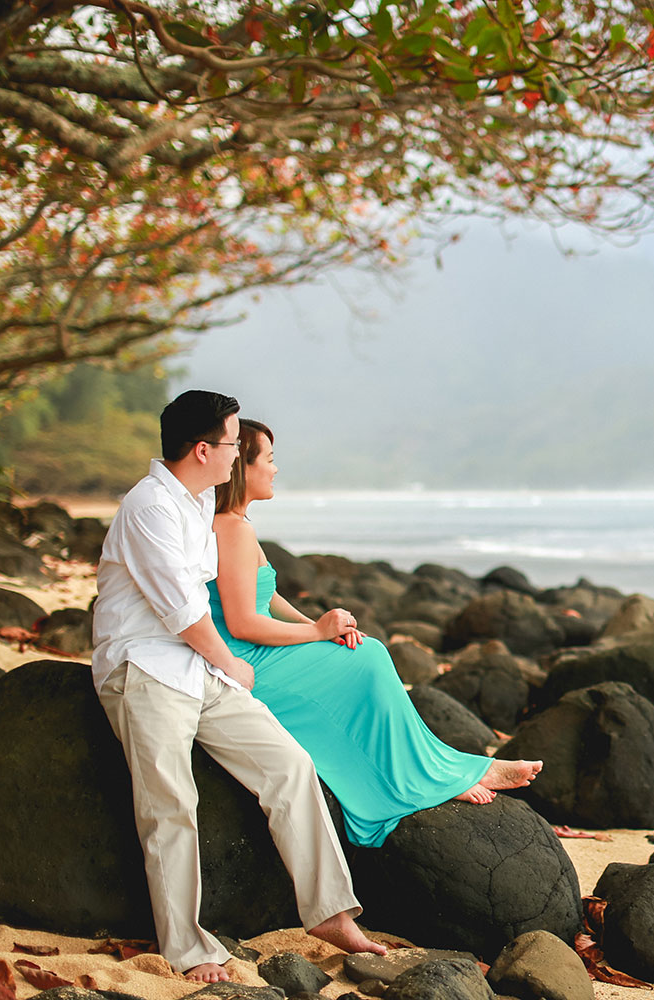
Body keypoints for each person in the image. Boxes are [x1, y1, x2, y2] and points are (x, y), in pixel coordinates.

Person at [91, 390, 386, 984]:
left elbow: (220, 600)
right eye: (231, 443)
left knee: (290, 766)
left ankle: (329, 911)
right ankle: (188, 949)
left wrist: (302, 632)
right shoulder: (149, 506)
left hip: (194, 667)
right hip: (145, 669)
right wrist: (234, 662)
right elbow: (181, 609)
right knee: (170, 805)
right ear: (203, 449)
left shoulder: (197, 503)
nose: (237, 455)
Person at [208, 418, 542, 848]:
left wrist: (320, 628)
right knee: (367, 660)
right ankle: (432, 780)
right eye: (269, 460)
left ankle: (444, 771)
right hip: (246, 662)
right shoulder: (231, 529)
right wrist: (315, 631)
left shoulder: (237, 524)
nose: (275, 469)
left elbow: (267, 599)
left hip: (258, 649)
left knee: (367, 654)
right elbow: (242, 622)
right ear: (242, 467)